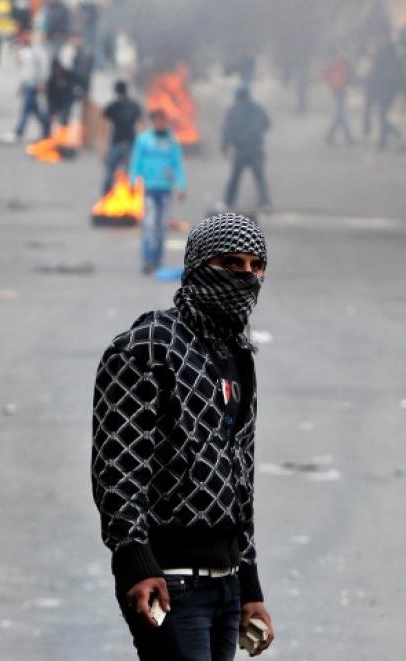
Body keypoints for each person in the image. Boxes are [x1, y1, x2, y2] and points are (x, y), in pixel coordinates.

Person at [92, 212, 275, 661]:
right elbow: (119, 467)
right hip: (167, 579)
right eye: (231, 264)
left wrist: (249, 586)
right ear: (196, 267)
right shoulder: (148, 346)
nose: (246, 277)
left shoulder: (237, 355)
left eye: (256, 266)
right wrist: (136, 562)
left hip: (226, 584)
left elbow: (239, 477)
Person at [129, 109, 185, 274]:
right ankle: (148, 260)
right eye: (157, 120)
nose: (160, 123)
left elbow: (178, 165)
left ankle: (158, 260)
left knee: (161, 227)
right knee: (149, 224)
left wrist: (181, 185)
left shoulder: (172, 141)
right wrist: (133, 180)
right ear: (153, 121)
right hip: (150, 188)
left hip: (166, 189)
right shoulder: (143, 139)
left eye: (162, 120)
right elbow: (136, 160)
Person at [222, 85, 271, 211]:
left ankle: (228, 202)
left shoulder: (233, 110)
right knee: (259, 178)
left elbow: (227, 130)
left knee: (234, 179)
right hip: (256, 149)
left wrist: (224, 147)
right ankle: (265, 203)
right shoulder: (257, 108)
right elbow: (267, 124)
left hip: (240, 150)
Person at [3, 30, 49, 142]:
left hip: (34, 83)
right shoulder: (23, 50)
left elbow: (44, 68)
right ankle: (47, 128)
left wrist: (41, 83)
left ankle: (19, 132)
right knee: (34, 109)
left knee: (26, 109)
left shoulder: (38, 50)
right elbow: (23, 69)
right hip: (26, 83)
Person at [363, 34, 403, 149]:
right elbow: (398, 72)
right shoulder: (394, 54)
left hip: (384, 88)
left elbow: (377, 73)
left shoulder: (382, 54)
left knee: (383, 115)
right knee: (383, 115)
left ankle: (391, 135)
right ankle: (385, 138)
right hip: (390, 88)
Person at [102, 79, 141, 193]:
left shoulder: (113, 106)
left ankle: (106, 196)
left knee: (110, 171)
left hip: (117, 142)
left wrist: (103, 145)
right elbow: (142, 124)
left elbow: (103, 125)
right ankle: (130, 196)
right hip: (131, 142)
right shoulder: (134, 105)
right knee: (131, 172)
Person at [324, 54, 354, 146]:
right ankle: (335, 135)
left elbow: (347, 75)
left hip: (340, 88)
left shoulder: (342, 62)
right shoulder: (337, 62)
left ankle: (343, 136)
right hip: (338, 88)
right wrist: (332, 83)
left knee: (340, 114)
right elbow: (327, 73)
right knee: (339, 114)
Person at [46, 57, 73, 127]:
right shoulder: (51, 81)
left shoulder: (66, 74)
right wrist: (52, 112)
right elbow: (50, 98)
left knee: (64, 120)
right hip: (57, 104)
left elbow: (76, 79)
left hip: (66, 102)